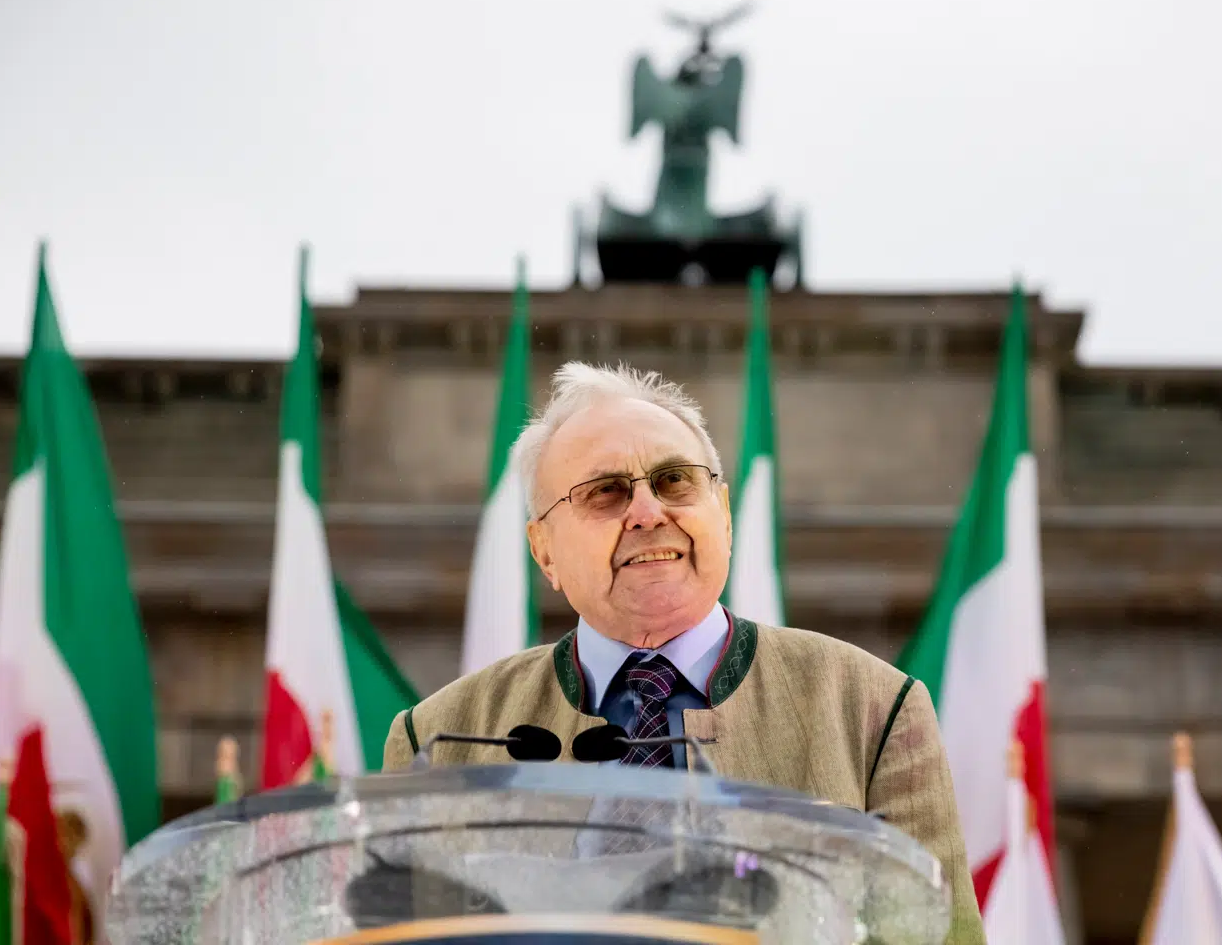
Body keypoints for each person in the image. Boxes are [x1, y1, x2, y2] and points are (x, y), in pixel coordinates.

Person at [383, 361, 985, 942]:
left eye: (674, 480)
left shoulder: (872, 709)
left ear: (721, 513)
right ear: (543, 550)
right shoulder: (439, 737)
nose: (648, 513)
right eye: (606, 492)